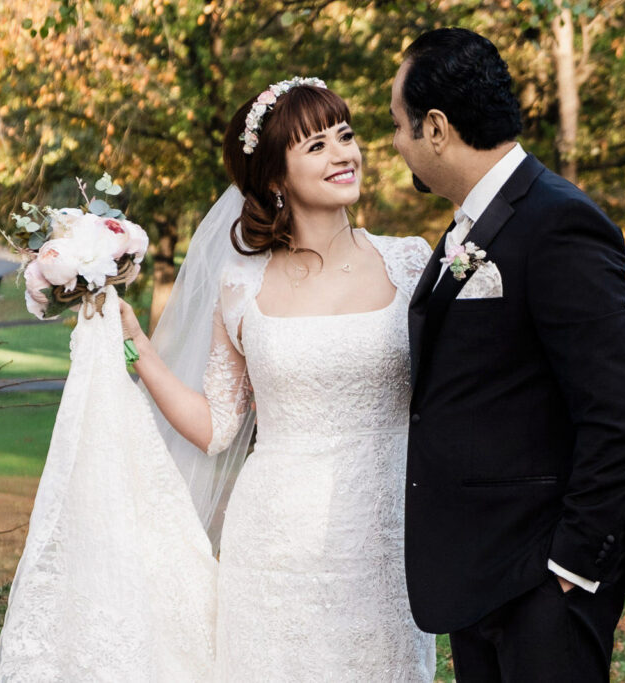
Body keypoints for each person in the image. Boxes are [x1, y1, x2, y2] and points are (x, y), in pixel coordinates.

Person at [118, 78, 436, 680]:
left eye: (345, 135)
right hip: (274, 548)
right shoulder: (242, 286)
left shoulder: (411, 260)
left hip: (388, 537)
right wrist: (137, 347)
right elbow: (218, 427)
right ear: (274, 179)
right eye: (316, 146)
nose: (343, 153)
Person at [391, 28, 625, 681]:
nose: (395, 144)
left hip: (542, 578)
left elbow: (619, 417)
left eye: (398, 125)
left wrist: (568, 567)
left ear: (436, 128)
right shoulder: (473, 223)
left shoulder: (559, 222)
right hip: (480, 568)